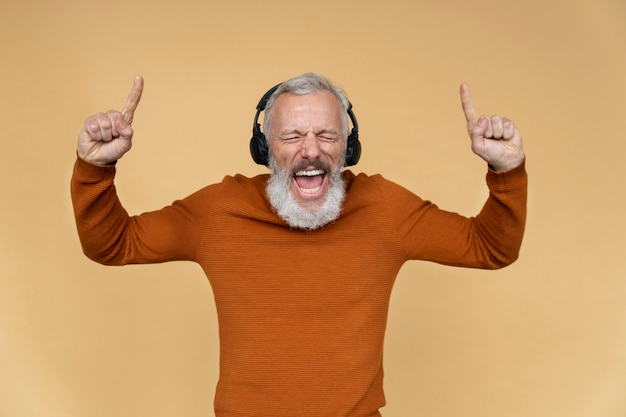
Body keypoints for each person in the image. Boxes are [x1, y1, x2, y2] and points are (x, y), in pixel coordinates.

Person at [71, 73, 526, 416]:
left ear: (348, 146)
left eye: (326, 134)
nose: (310, 150)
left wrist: (506, 171)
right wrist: (95, 170)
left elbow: (490, 248)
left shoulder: (384, 208)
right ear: (264, 146)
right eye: (291, 136)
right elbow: (112, 243)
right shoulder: (219, 211)